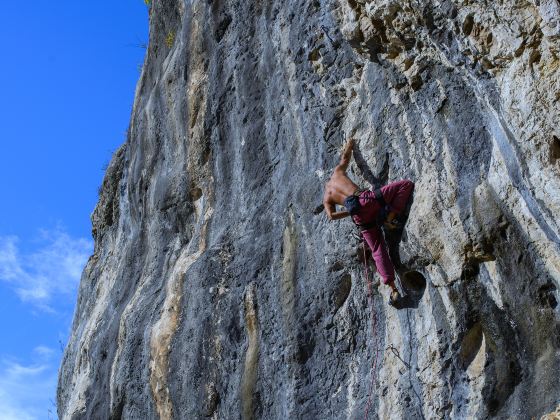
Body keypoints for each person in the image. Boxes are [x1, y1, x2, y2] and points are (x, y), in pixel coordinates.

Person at [323, 138, 414, 305]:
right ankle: (390, 217)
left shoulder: (327, 197)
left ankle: (393, 288)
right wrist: (350, 144)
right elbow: (346, 157)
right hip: (367, 200)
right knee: (405, 185)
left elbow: (331, 216)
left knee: (377, 248)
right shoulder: (337, 172)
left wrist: (349, 212)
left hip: (359, 217)